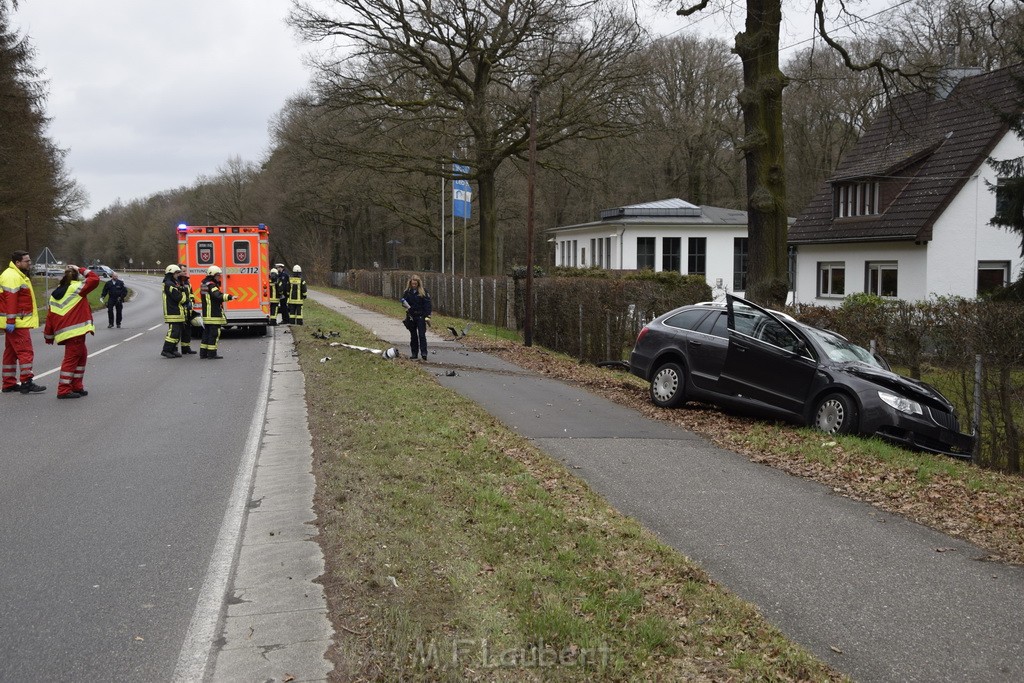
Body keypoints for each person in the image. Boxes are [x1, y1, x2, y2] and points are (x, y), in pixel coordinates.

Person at [43, 265, 99, 399]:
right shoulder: (76, 288)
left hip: (68, 332)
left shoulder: (56, 293)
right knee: (71, 360)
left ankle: (76, 386)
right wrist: (80, 268)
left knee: (81, 356)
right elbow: (94, 279)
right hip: (75, 332)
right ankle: (64, 390)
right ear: (76, 276)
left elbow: (51, 316)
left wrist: (48, 335)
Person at [1, 250, 46, 394]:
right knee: (25, 351)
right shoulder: (12, 276)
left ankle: (8, 383)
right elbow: (11, 299)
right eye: (27, 261)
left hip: (14, 321)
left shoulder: (14, 274)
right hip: (17, 322)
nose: (30, 263)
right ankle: (26, 381)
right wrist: (11, 320)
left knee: (11, 352)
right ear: (17, 263)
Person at [199, 265, 234, 359]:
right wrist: (230, 297)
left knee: (206, 334)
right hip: (213, 313)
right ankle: (212, 353)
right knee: (214, 334)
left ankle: (203, 353)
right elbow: (217, 296)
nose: (219, 277)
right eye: (218, 275)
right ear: (212, 275)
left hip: (207, 313)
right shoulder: (211, 285)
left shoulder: (204, 283)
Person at [400, 274, 432, 360]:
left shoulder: (423, 291)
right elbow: (403, 302)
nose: (414, 285)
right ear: (410, 283)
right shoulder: (407, 292)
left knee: (422, 335)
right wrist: (404, 303)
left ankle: (424, 353)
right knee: (413, 336)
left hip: (421, 315)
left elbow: (427, 304)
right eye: (412, 284)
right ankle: (414, 353)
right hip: (411, 316)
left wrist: (428, 316)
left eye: (415, 284)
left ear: (418, 284)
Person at [160, 264, 186, 359]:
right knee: (173, 332)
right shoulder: (169, 284)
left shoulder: (172, 283)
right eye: (176, 273)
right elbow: (179, 298)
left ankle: (173, 349)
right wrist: (183, 293)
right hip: (173, 312)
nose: (178, 275)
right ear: (171, 274)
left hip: (176, 311)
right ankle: (166, 350)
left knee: (177, 332)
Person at [176, 266, 198, 354]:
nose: (185, 272)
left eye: (186, 271)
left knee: (187, 331)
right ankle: (175, 349)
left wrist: (192, 303)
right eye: (183, 271)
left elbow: (191, 294)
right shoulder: (177, 282)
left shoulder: (187, 282)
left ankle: (186, 348)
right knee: (177, 332)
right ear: (178, 272)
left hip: (188, 311)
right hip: (180, 311)